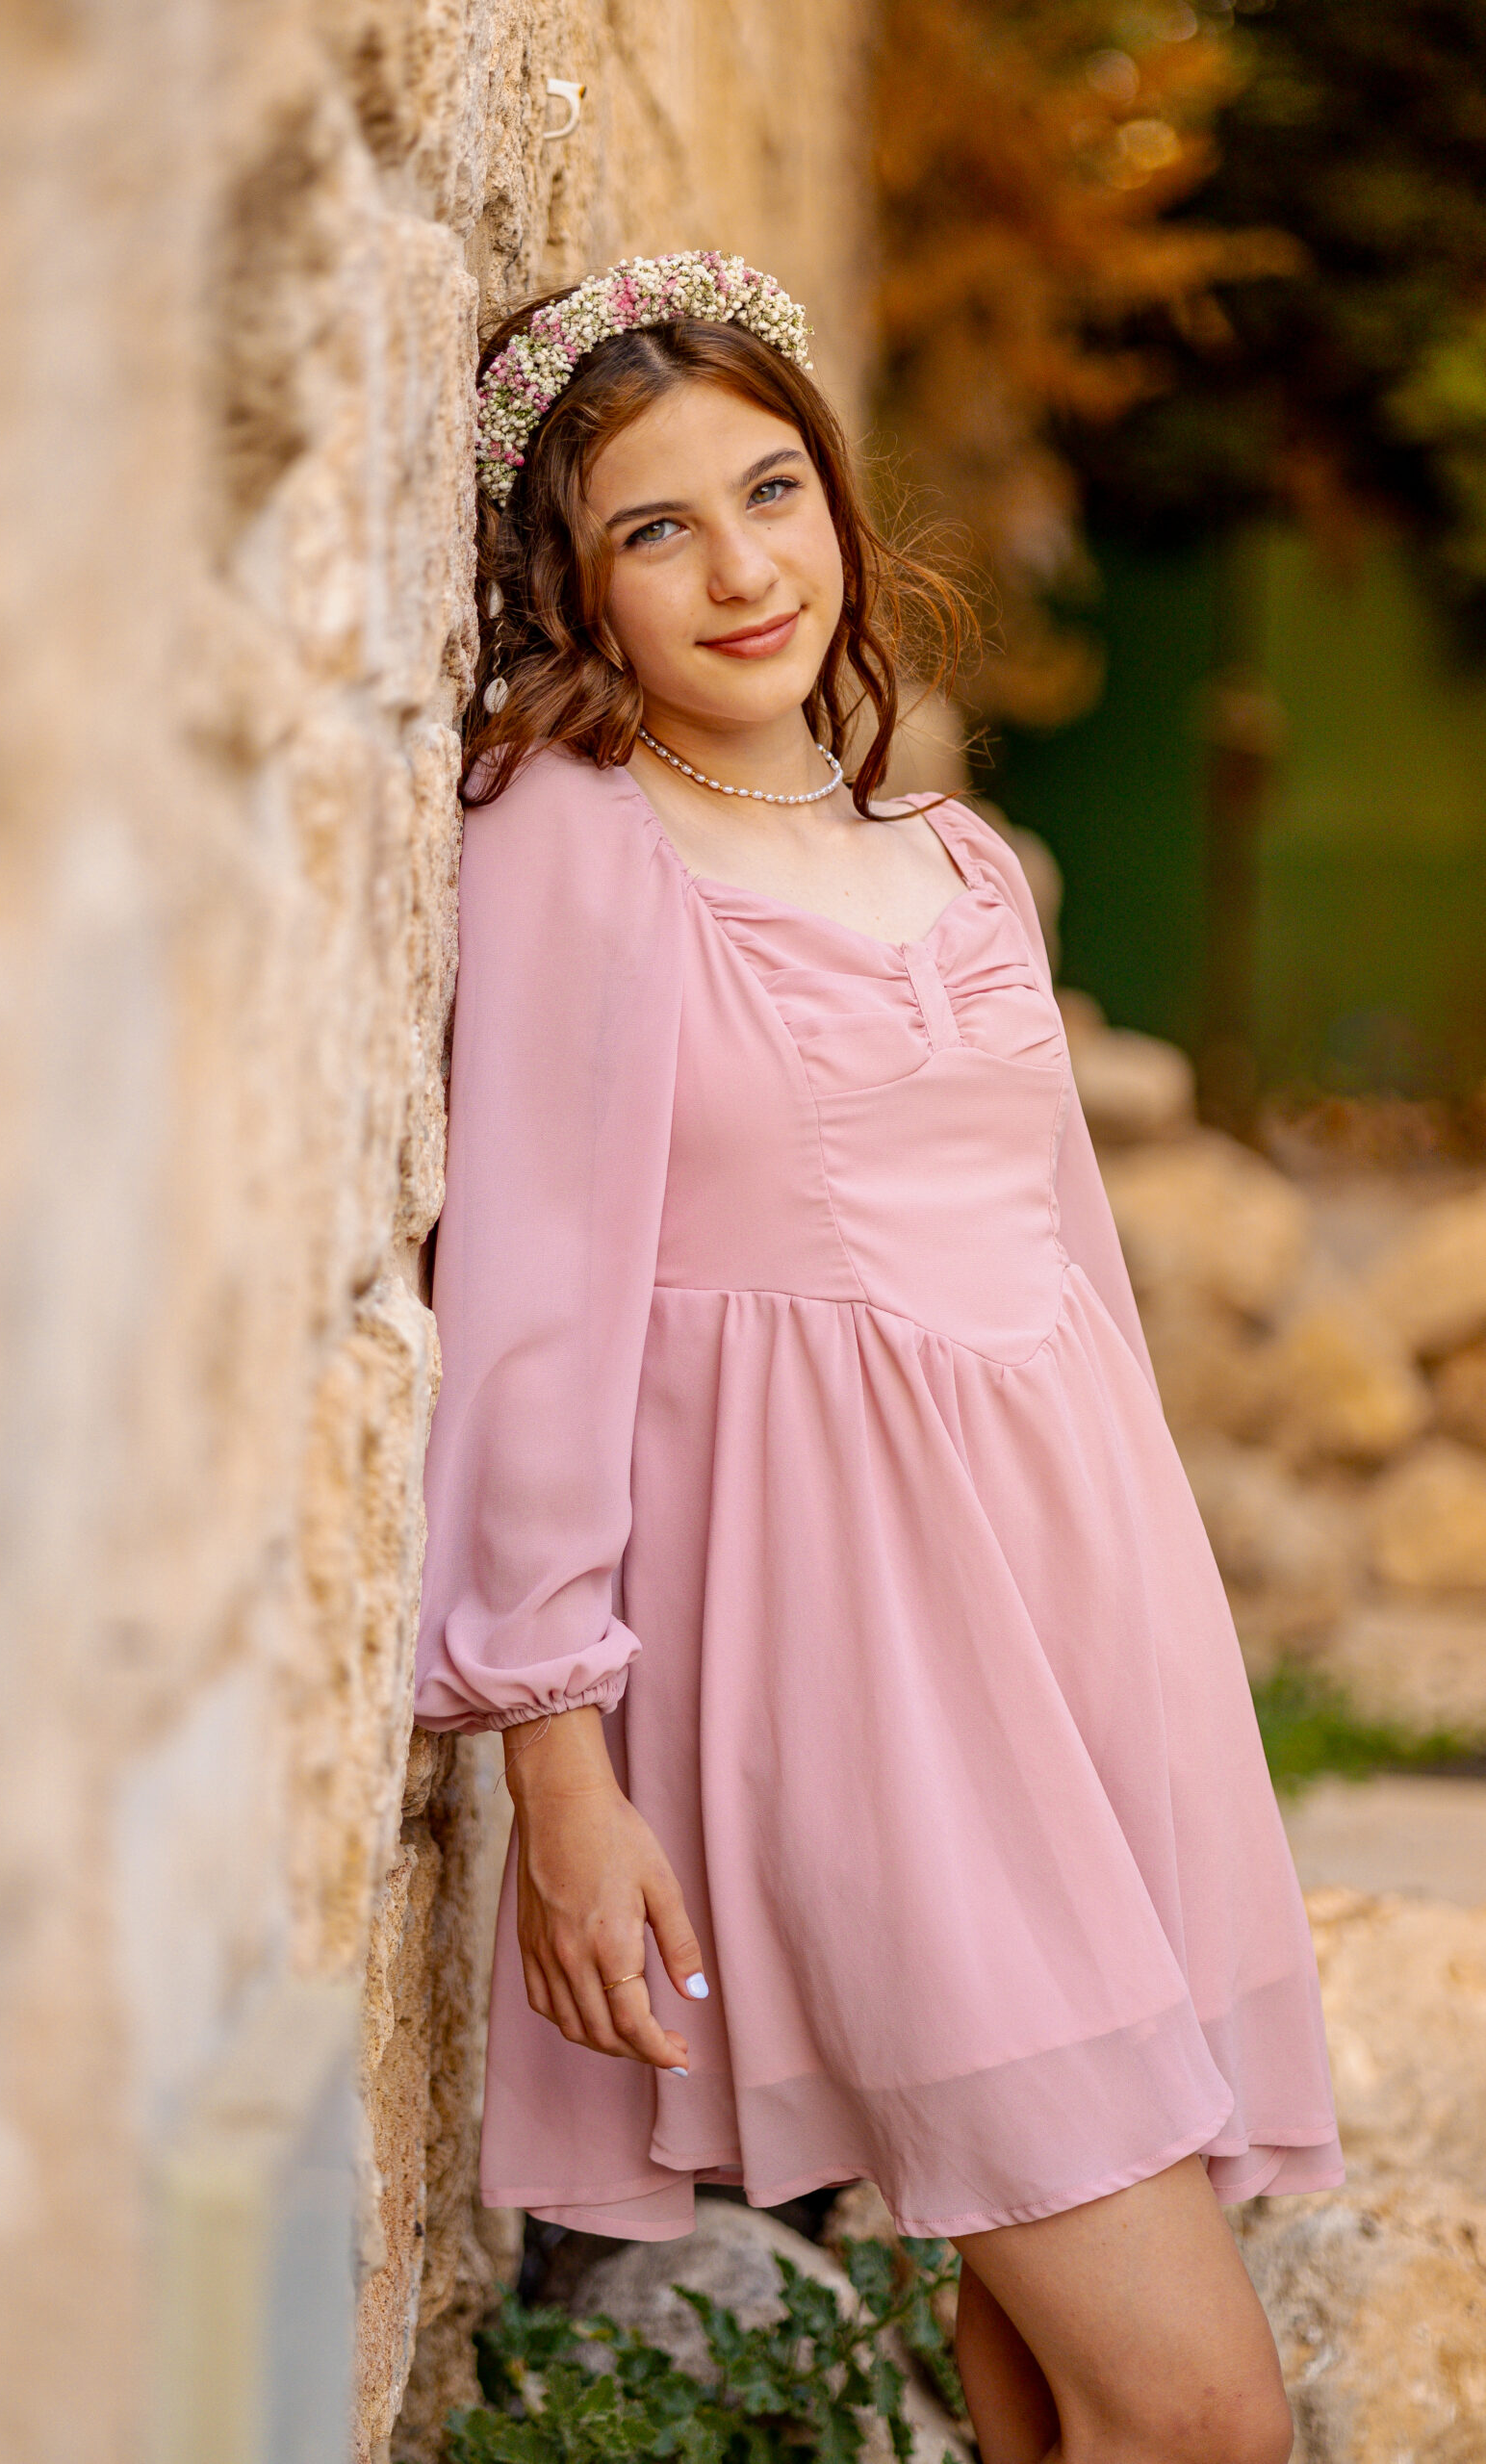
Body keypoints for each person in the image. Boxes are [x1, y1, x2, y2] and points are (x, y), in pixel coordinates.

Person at [412, 252, 1343, 2464]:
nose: (743, 571)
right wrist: (555, 1762)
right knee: (1196, 2411)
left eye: (769, 491)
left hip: (1083, 1657)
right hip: (857, 1692)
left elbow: (1069, 1283)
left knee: (1052, 2390)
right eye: (654, 528)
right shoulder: (569, 838)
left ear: (835, 496)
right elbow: (527, 1309)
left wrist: (1164, 1693)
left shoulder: (956, 863)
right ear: (572, 584)